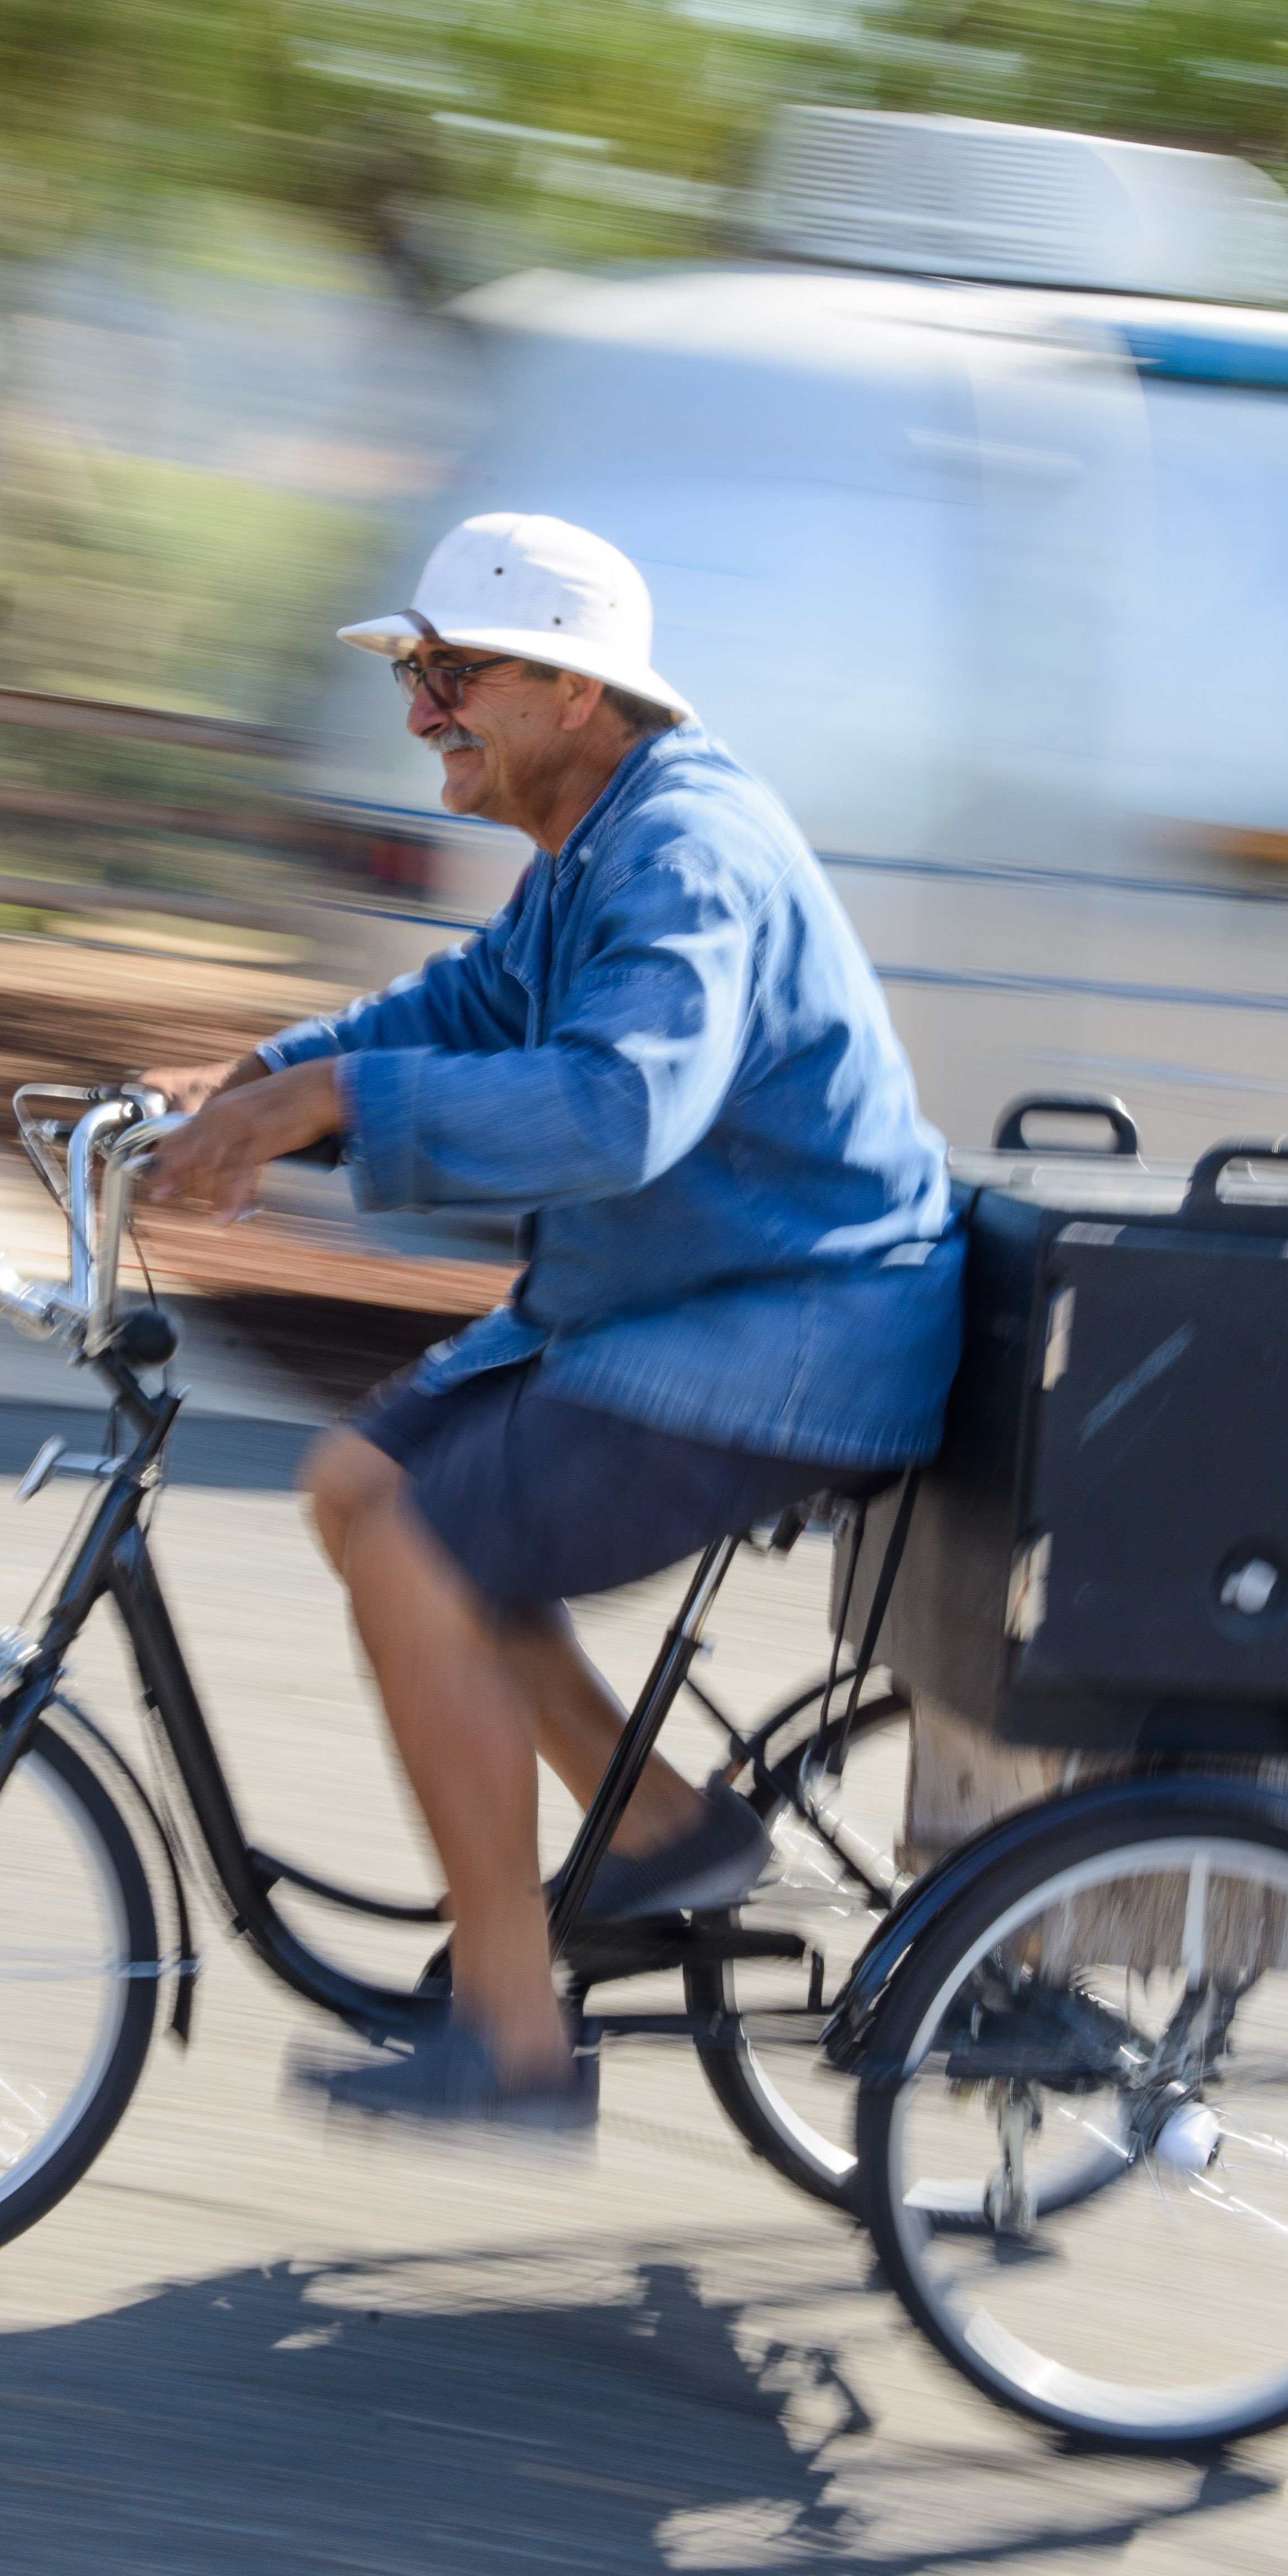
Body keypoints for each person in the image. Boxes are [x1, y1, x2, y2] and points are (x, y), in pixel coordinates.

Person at [141, 509, 962, 2136]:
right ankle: (661, 1829)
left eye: (454, 675)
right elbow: (469, 1004)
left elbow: (618, 1107)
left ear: (576, 690)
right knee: (359, 1488)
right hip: (690, 1306)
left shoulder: (684, 852)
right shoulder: (600, 840)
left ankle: (514, 2035)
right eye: (412, 673)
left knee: (423, 1556)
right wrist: (252, 1080)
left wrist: (331, 1104)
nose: (419, 710)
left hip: (795, 1333)